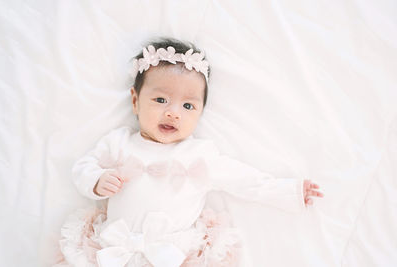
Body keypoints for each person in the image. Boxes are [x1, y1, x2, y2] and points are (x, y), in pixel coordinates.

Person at [54, 37, 324, 267]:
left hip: (175, 254)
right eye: (160, 100)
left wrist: (289, 191)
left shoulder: (200, 155)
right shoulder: (119, 142)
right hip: (114, 246)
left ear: (201, 113)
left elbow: (245, 181)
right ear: (135, 101)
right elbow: (84, 166)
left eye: (188, 106)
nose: (172, 112)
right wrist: (97, 181)